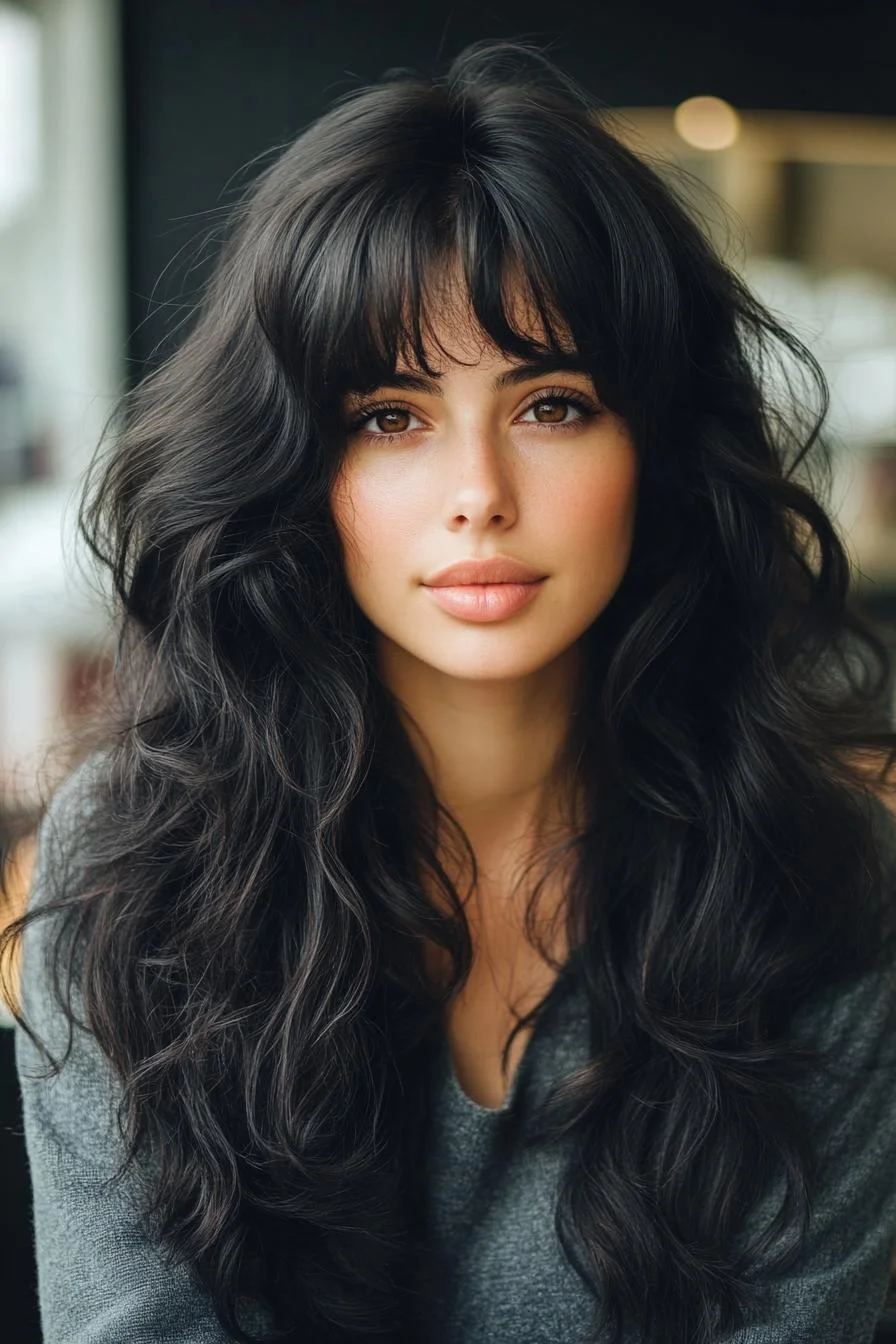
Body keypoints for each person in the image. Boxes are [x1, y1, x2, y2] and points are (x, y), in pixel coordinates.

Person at [4, 36, 896, 1344]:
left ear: (657, 449)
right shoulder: (138, 873)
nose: (480, 489)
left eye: (554, 404)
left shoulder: (826, 884)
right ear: (298, 467)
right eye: (390, 416)